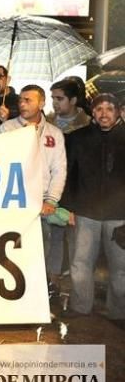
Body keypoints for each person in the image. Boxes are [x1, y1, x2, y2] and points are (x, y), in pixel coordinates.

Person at [62, 93, 125, 320]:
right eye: (99, 109)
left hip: (120, 215)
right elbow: (69, 175)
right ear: (93, 112)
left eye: (110, 108)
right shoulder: (78, 138)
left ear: (118, 111)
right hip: (86, 211)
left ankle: (119, 313)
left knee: (121, 269)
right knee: (80, 263)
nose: (104, 114)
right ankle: (80, 307)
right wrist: (68, 207)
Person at [0, 85, 66, 295]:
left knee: (43, 246)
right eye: (20, 100)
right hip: (16, 200)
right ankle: (16, 290)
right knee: (14, 247)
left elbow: (59, 169)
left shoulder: (54, 133)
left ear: (42, 102)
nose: (22, 104)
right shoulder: (8, 128)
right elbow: (1, 163)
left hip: (42, 201)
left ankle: (39, 291)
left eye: (28, 100)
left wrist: (51, 200)